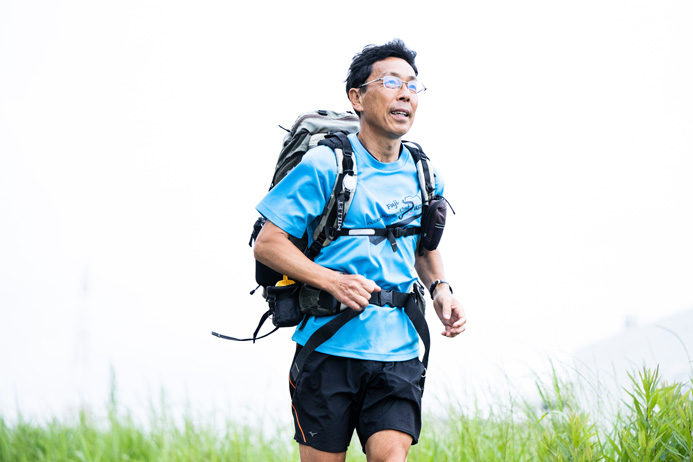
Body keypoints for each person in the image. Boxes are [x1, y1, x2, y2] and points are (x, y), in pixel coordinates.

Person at [253, 39, 466, 462]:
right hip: (328, 348)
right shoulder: (325, 165)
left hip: (399, 349)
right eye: (390, 82)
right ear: (357, 97)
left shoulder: (425, 172)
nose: (404, 93)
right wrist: (329, 279)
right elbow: (268, 244)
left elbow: (423, 247)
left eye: (412, 85)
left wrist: (441, 288)